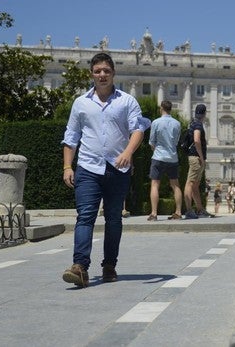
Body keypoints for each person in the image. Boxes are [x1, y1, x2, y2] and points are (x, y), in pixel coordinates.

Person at [61, 52, 150, 288]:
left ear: (113, 74)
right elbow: (71, 137)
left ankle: (109, 265)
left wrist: (128, 153)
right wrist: (68, 166)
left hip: (117, 169)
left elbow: (138, 130)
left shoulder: (127, 101)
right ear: (91, 74)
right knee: (85, 217)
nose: (102, 75)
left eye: (106, 71)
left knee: (113, 220)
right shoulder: (80, 103)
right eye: (98, 71)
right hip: (88, 167)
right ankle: (80, 267)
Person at [147, 100, 183, 221]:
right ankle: (178, 212)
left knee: (155, 185)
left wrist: (155, 150)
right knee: (175, 185)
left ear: (161, 108)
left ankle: (154, 213)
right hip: (172, 157)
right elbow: (177, 141)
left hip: (158, 156)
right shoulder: (177, 123)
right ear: (170, 109)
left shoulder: (156, 122)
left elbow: (152, 141)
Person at [183, 104, 213, 219]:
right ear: (204, 113)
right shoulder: (198, 124)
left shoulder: (193, 122)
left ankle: (200, 209)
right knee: (190, 183)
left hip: (194, 156)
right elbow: (196, 140)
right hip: (196, 157)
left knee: (195, 185)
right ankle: (189, 210)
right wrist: (201, 156)